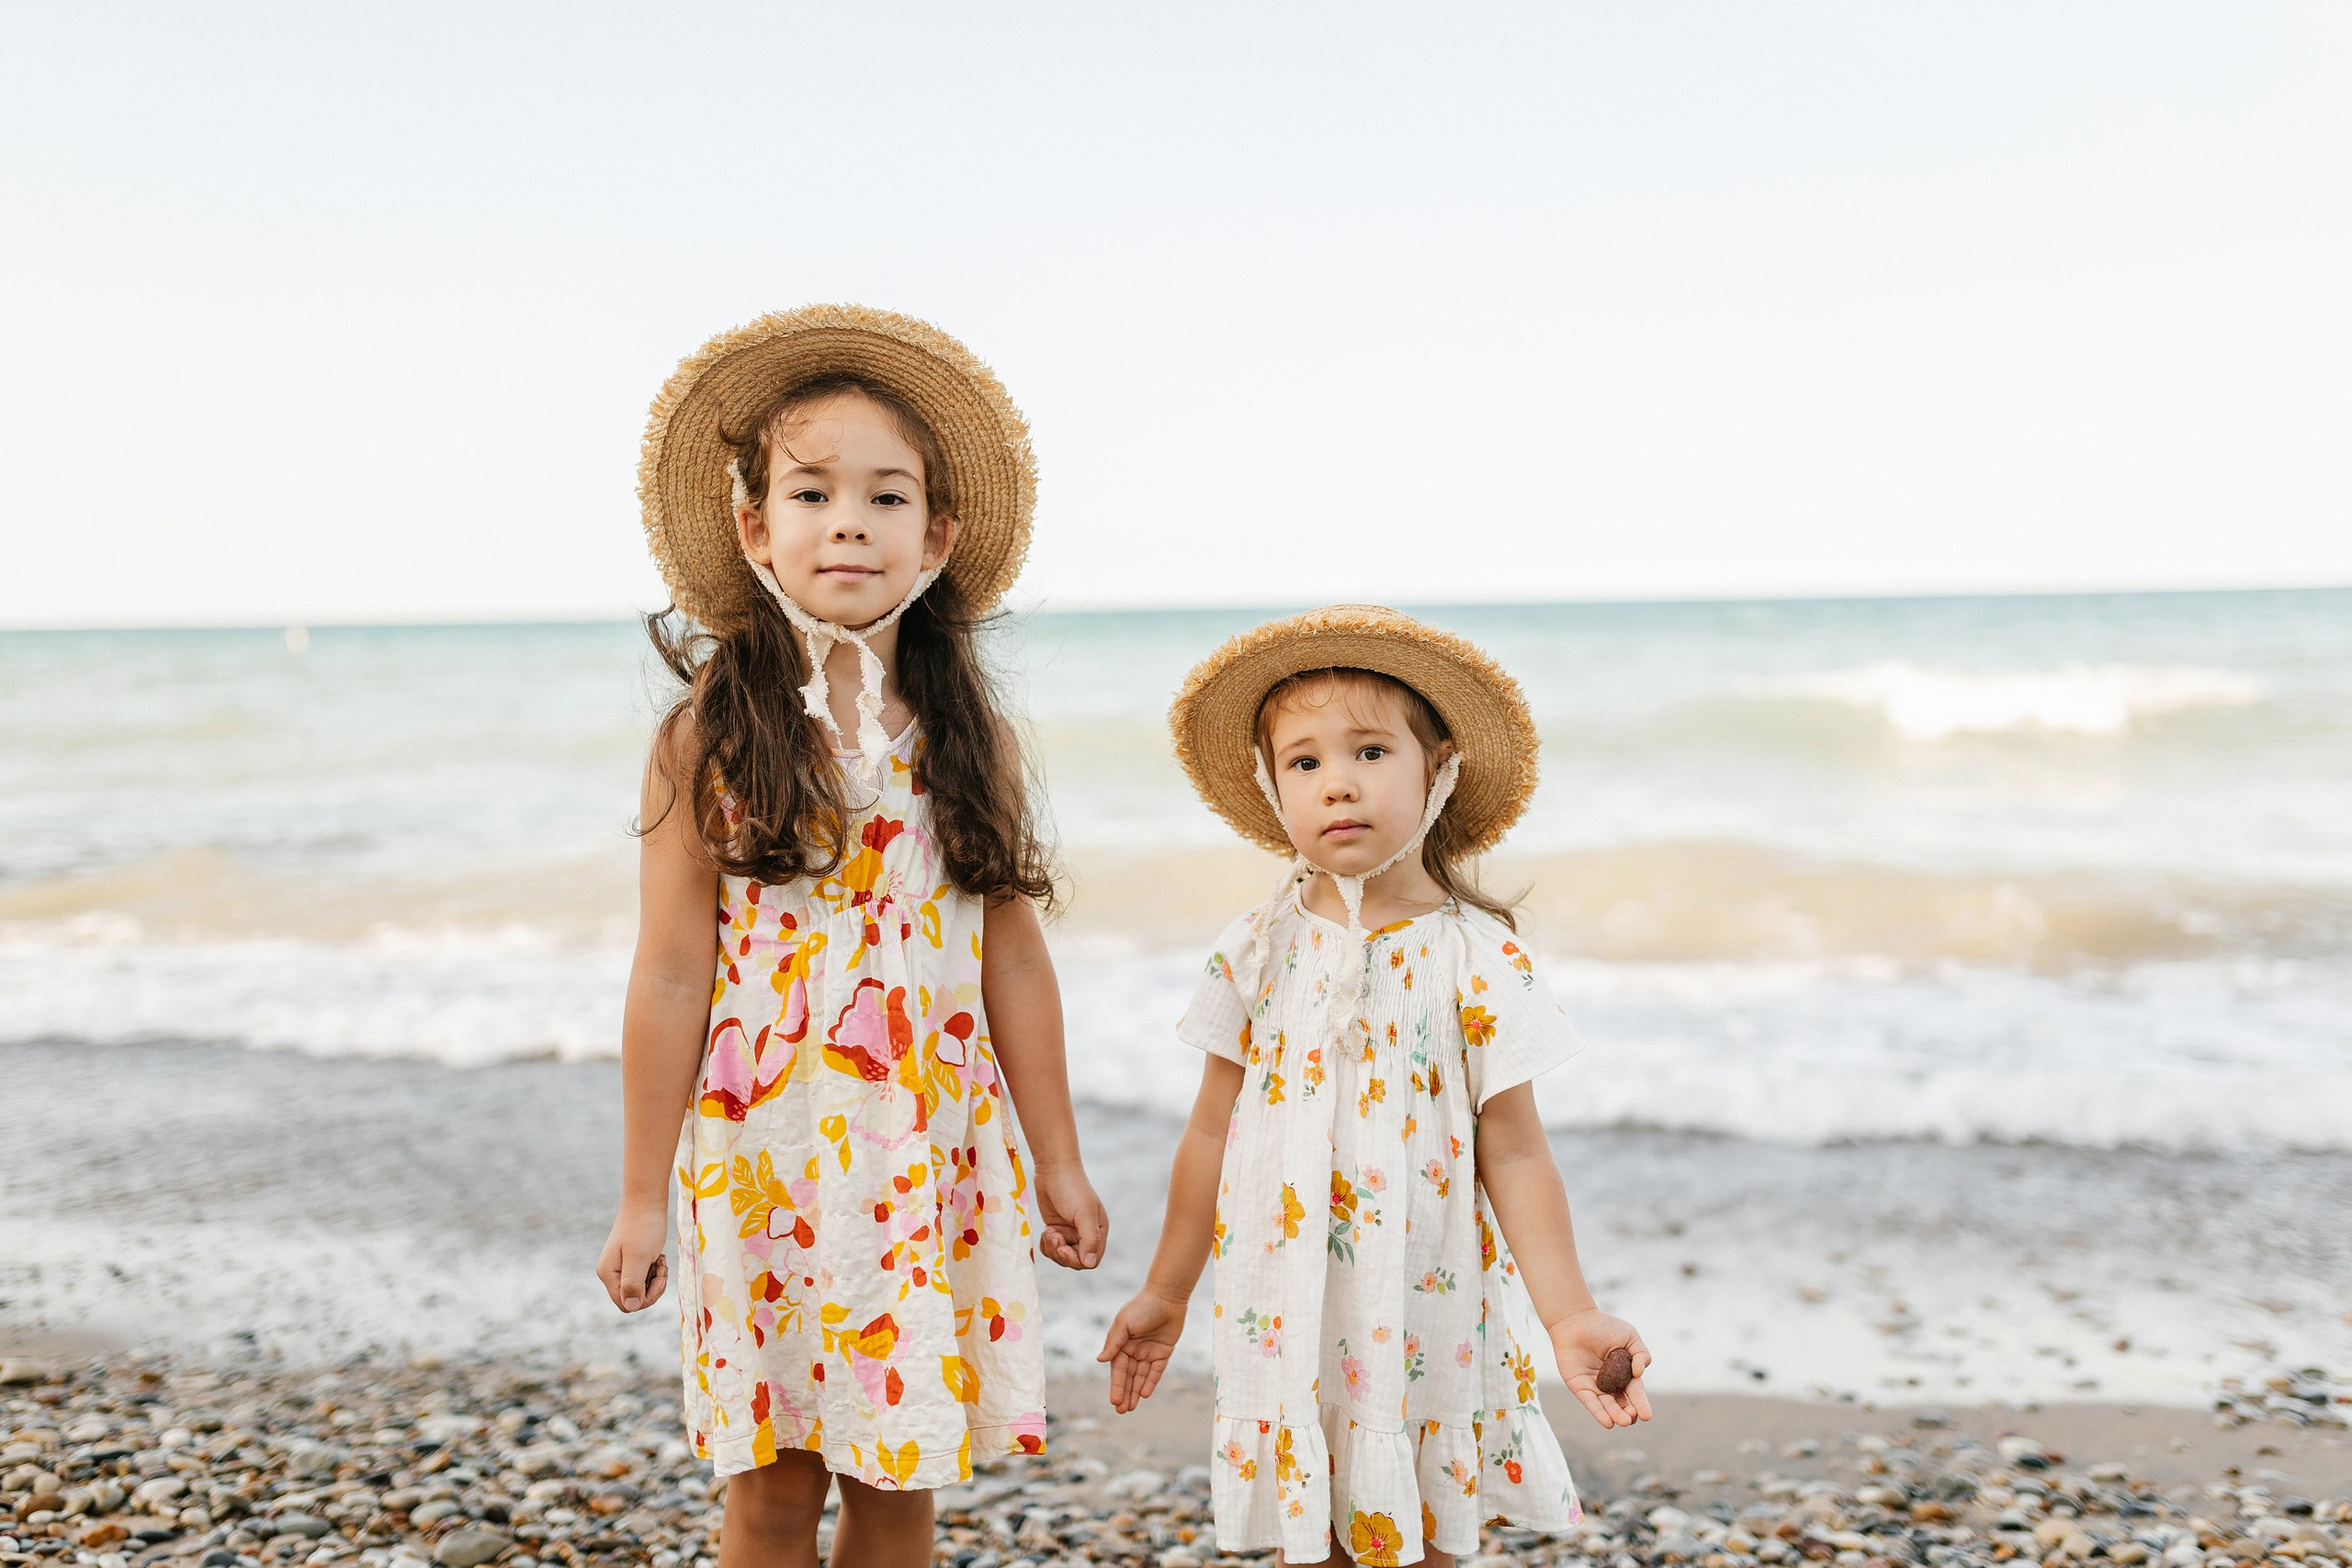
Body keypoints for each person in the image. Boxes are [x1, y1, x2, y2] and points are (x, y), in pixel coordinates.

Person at [598, 306, 1108, 1568]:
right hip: (758, 1158)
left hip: (925, 1151)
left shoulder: (962, 732)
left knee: (898, 1482)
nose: (848, 522)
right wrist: (638, 1194)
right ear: (753, 525)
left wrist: (1060, 1158)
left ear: (934, 534)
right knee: (768, 1484)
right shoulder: (708, 734)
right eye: (812, 491)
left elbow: (1013, 960)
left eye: (886, 497)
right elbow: (670, 971)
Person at [1100, 605, 1651, 1568]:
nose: (1338, 782)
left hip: (1423, 1297)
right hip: (1282, 1299)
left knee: (1426, 1523)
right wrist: (1165, 1287)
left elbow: (1513, 1148)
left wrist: (1568, 1313)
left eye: (1369, 751)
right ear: (1274, 791)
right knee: (1305, 1532)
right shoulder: (1255, 949)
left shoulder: (1476, 958)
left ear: (1436, 768)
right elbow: (1207, 1132)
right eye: (1304, 763)